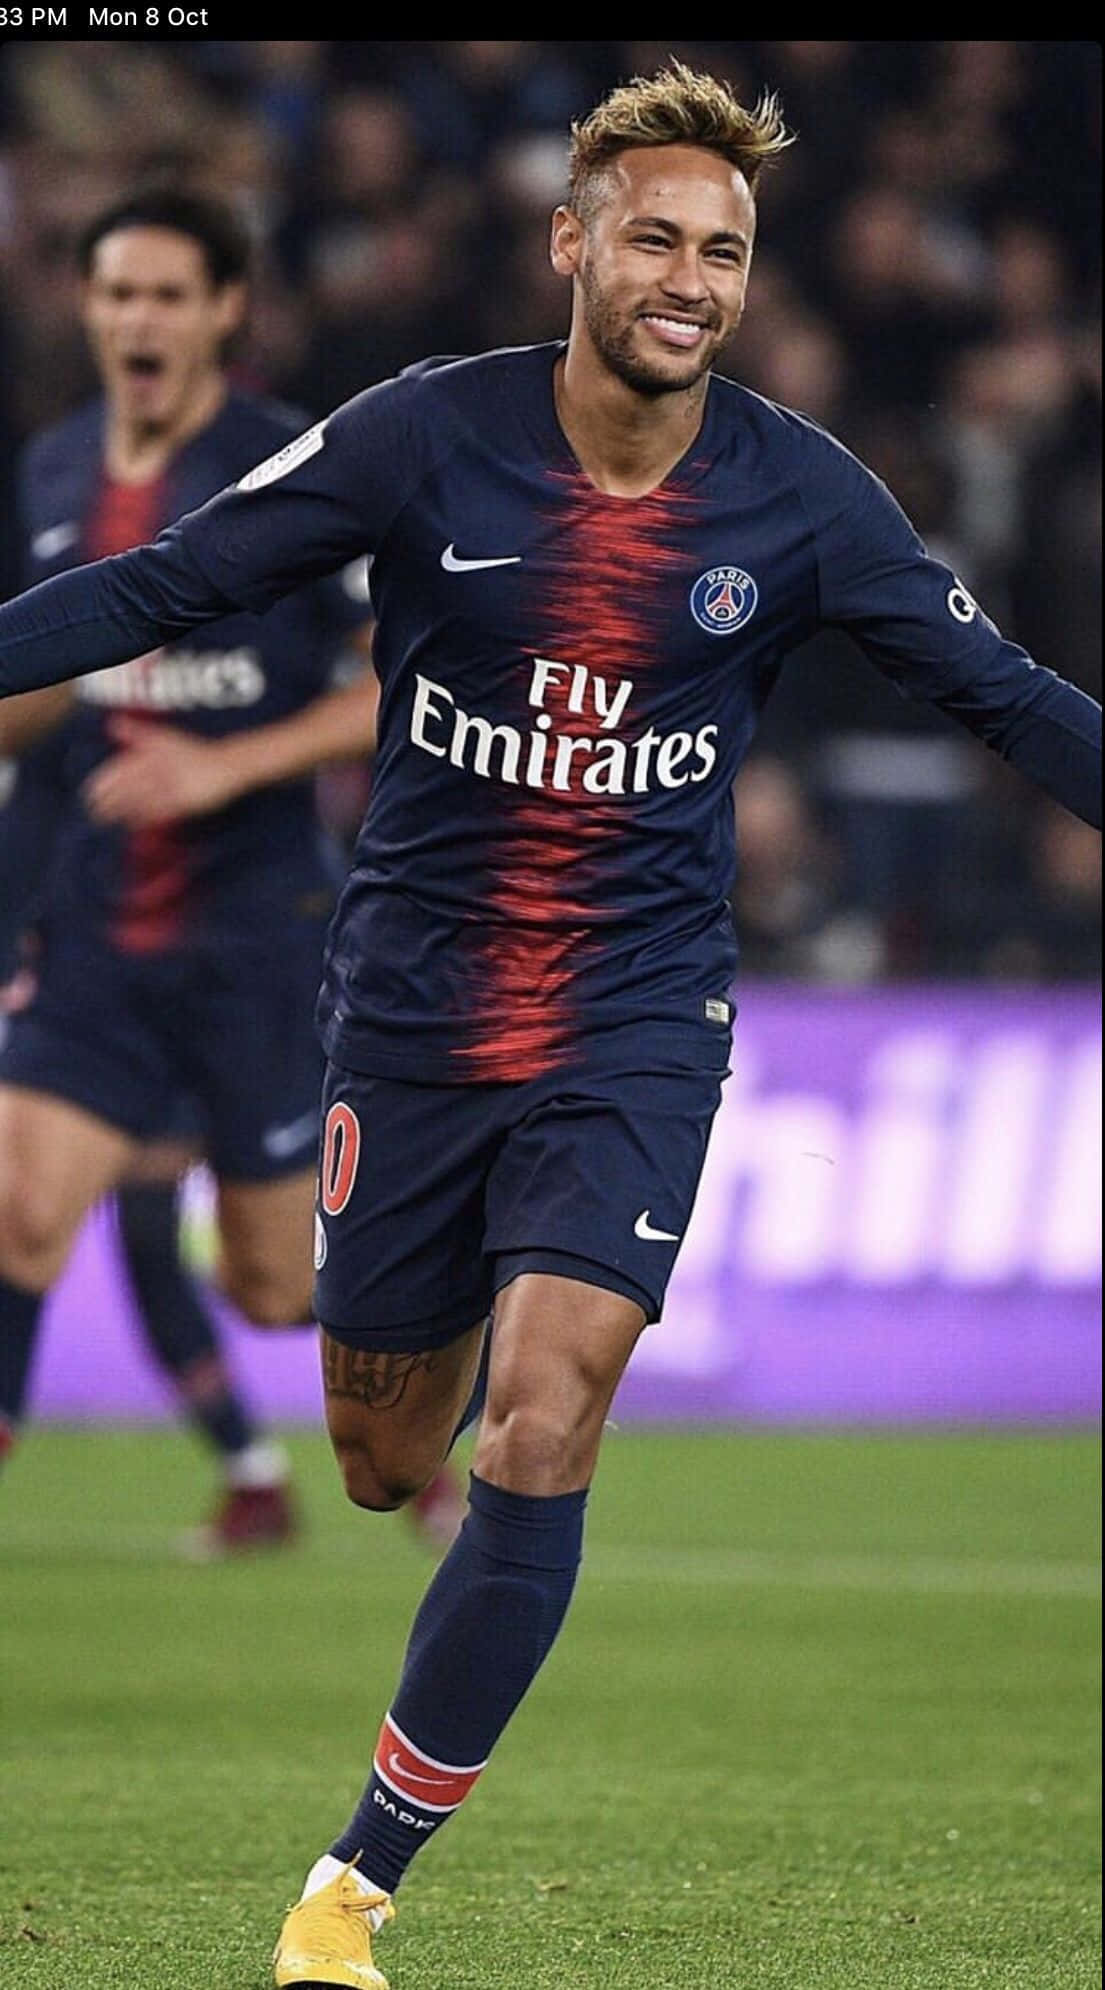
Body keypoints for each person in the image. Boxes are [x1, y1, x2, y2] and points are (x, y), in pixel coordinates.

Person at [0, 65, 1099, 1990]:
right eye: (655, 237)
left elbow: (1002, 695)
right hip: (413, 1010)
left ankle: (350, 1889)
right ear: (571, 242)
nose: (690, 279)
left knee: (549, 1402)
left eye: (723, 253)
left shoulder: (799, 492)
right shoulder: (424, 436)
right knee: (377, 1446)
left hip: (635, 1015)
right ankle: (355, 1457)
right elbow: (174, 580)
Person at [0, 186, 382, 1539]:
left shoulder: (296, 467)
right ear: (88, 308)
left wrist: (225, 764)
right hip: (95, 924)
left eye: (168, 294)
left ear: (225, 310)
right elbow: (36, 695)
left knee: (273, 1291)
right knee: (17, 1216)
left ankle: (455, 1309)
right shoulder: (53, 469)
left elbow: (401, 682)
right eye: (117, 293)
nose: (138, 321)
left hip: (255, 927)